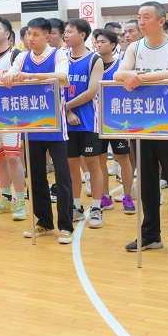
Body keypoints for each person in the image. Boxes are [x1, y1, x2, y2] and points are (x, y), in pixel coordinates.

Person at [114, 2, 168, 259]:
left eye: (146, 17)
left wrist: (137, 77)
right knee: (146, 180)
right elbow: (118, 74)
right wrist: (128, 76)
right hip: (143, 122)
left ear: (161, 21)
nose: (141, 21)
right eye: (139, 17)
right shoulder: (135, 47)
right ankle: (150, 235)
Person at [2, 17, 72, 243]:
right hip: (31, 127)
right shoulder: (22, 57)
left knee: (62, 178)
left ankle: (66, 226)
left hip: (55, 127)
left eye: (35, 34)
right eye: (28, 34)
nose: (30, 38)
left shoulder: (58, 55)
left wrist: (29, 76)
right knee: (36, 178)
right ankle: (45, 223)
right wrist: (9, 77)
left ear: (47, 37)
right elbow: (9, 74)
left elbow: (63, 77)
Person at [63, 18, 105, 228]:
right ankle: (76, 207)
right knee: (71, 165)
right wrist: (67, 111)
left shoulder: (94, 59)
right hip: (67, 121)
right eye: (65, 31)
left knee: (92, 164)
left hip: (88, 121)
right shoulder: (61, 58)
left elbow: (91, 91)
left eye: (70, 31)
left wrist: (66, 107)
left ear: (82, 35)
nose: (66, 35)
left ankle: (97, 207)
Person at [0, 17, 27, 221]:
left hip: (11, 115)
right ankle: (6, 198)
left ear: (8, 34)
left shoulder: (17, 55)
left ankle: (20, 201)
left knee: (12, 157)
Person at [93, 28, 135, 214]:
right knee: (100, 159)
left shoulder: (121, 66)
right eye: (96, 41)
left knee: (123, 158)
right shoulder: (92, 64)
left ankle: (127, 196)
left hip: (117, 119)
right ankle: (105, 196)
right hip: (96, 119)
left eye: (103, 41)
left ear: (113, 45)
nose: (98, 45)